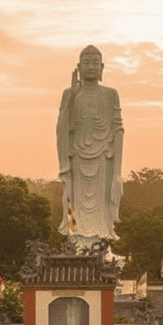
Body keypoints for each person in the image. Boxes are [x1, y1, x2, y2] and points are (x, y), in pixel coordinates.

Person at [56, 45, 124, 245]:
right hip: (76, 158)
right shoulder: (69, 94)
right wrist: (70, 97)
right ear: (79, 66)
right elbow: (61, 128)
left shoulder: (111, 94)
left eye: (95, 63)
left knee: (101, 205)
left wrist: (118, 175)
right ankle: (73, 238)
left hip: (103, 158)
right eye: (86, 62)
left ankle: (100, 242)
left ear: (102, 67)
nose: (91, 67)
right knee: (72, 200)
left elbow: (118, 131)